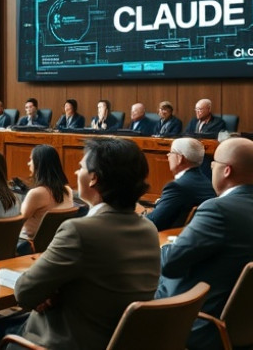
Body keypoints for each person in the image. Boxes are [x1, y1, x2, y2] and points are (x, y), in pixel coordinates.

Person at [12, 138, 160, 349]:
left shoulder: (80, 231)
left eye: (80, 167)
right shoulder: (148, 229)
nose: (75, 172)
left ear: (93, 178)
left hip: (59, 340)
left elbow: (24, 292)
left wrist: (53, 290)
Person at [157, 138, 253, 349]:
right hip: (247, 321)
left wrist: (166, 246)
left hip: (202, 323)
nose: (211, 167)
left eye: (213, 163)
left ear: (226, 170)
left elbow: (170, 264)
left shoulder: (217, 209)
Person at [145, 138, 215, 230]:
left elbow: (154, 222)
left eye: (171, 152)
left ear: (180, 158)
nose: (168, 155)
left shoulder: (177, 187)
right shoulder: (206, 182)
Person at [17, 145, 74, 255]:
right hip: (55, 243)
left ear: (39, 164)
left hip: (27, 245)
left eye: (30, 160)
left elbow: (17, 222)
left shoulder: (36, 193)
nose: (28, 164)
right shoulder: (68, 190)